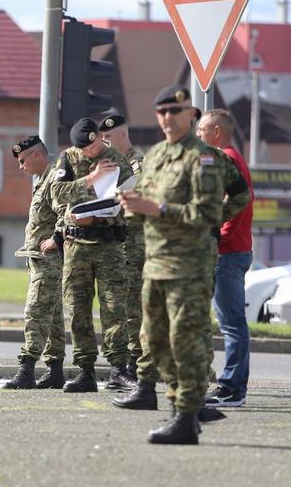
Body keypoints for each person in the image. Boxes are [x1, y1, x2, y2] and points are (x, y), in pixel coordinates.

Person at [118, 85, 224, 444]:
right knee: (156, 343)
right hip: (155, 263)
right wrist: (131, 207)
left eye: (174, 112)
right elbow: (145, 205)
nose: (167, 118)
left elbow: (209, 212)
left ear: (191, 114)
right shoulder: (156, 154)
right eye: (161, 111)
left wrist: (159, 209)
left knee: (186, 344)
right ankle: (183, 408)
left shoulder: (203, 158)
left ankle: (185, 415)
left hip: (188, 267)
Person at [51, 118, 135, 393]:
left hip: (109, 245)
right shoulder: (67, 159)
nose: (89, 151)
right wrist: (90, 179)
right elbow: (56, 195)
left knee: (114, 309)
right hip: (77, 246)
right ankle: (85, 370)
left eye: (92, 145)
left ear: (100, 137)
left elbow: (131, 200)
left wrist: (104, 215)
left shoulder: (117, 160)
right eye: (83, 149)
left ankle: (118, 370)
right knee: (78, 310)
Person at [197, 109, 254, 408]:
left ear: (217, 131)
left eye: (202, 129)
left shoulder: (227, 159)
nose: (198, 135)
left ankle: (232, 389)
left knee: (232, 325)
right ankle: (233, 388)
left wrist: (218, 241)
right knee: (232, 323)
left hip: (228, 253)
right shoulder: (231, 156)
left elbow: (238, 205)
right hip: (232, 251)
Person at [4, 135, 67, 389]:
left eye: (22, 161)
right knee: (53, 318)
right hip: (39, 261)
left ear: (37, 155)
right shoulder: (42, 181)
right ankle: (55, 370)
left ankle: (26, 369)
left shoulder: (55, 178)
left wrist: (56, 237)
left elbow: (67, 211)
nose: (21, 167)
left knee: (36, 312)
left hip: (50, 261)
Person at [99, 113, 146, 380]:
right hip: (118, 245)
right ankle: (127, 362)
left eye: (108, 137)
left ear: (122, 135)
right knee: (119, 306)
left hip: (134, 245)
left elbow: (134, 201)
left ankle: (135, 364)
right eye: (102, 138)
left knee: (133, 307)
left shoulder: (137, 163)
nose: (104, 142)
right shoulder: (110, 164)